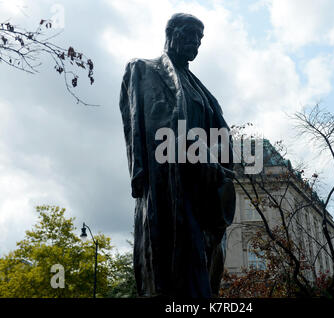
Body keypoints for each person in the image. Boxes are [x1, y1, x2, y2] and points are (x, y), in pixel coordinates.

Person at [119, 13, 235, 297]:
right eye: (190, 34)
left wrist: (216, 160)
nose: (196, 42)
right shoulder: (144, 70)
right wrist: (198, 151)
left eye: (200, 38)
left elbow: (222, 137)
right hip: (169, 187)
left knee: (205, 275)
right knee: (173, 274)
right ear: (171, 32)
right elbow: (153, 124)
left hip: (205, 195)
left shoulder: (203, 92)